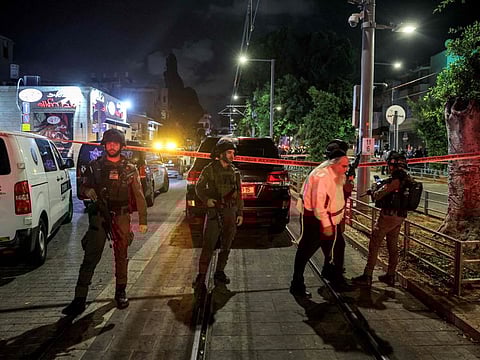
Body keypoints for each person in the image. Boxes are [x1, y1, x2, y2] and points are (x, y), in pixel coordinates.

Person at [62, 129, 148, 316]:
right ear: (104, 145)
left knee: (121, 255)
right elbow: (83, 186)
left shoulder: (129, 169)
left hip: (121, 216)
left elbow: (139, 196)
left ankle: (120, 292)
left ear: (121, 146)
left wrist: (143, 220)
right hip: (100, 216)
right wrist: (88, 191)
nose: (112, 146)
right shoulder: (95, 166)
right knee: (91, 256)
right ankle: (79, 299)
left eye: (115, 143)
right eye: (109, 143)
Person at [289, 140, 353, 298]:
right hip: (315, 216)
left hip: (324, 216)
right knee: (308, 248)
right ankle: (297, 282)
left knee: (335, 245)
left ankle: (331, 272)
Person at [352, 151, 412, 287]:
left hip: (388, 216)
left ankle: (367, 275)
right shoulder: (406, 178)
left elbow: (380, 195)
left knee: (374, 244)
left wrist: (374, 191)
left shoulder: (396, 179)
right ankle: (390, 275)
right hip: (399, 216)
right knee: (393, 245)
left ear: (393, 164)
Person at [192, 137, 244, 290]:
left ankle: (219, 271)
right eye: (229, 152)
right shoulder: (210, 169)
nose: (232, 156)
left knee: (227, 244)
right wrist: (206, 199)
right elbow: (199, 188)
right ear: (220, 153)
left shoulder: (235, 172)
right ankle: (201, 275)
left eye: (233, 153)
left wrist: (240, 212)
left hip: (230, 211)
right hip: (215, 211)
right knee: (209, 244)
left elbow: (239, 193)